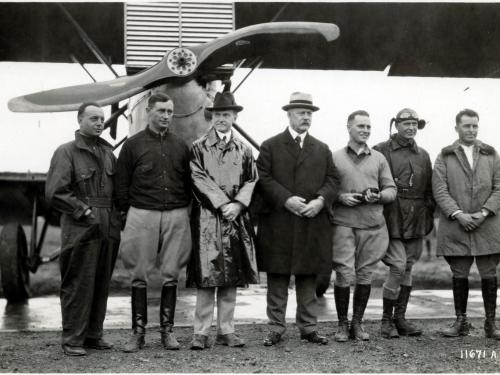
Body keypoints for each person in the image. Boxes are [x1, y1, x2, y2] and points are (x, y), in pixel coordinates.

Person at [256, 92, 338, 346]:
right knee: (278, 275)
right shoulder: (270, 146)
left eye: (309, 113)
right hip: (279, 221)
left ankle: (308, 327)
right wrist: (286, 199)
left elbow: (333, 180)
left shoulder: (322, 148)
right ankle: (276, 328)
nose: (306, 117)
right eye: (301, 113)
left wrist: (320, 201)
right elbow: (264, 177)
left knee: (308, 275)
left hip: (310, 221)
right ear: (289, 115)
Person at [115, 92, 192, 352]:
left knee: (171, 273)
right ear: (149, 111)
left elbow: (189, 183)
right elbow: (121, 183)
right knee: (139, 273)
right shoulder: (132, 144)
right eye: (161, 111)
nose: (166, 116)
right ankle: (138, 333)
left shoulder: (181, 145)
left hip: (176, 213)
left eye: (170, 112)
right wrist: (130, 212)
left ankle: (167, 332)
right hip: (142, 213)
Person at [46, 102, 120, 356]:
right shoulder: (66, 152)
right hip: (81, 227)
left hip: (108, 226)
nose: (100, 122)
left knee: (101, 282)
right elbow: (55, 193)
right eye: (93, 118)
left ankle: (93, 336)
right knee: (78, 281)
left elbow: (118, 191)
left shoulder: (108, 154)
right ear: (79, 120)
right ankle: (72, 340)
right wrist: (83, 211)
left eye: (102, 119)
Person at [187, 91, 259, 350]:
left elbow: (252, 179)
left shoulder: (244, 149)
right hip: (208, 219)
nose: (221, 119)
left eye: (226, 114)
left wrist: (239, 204)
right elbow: (197, 178)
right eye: (217, 114)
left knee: (232, 278)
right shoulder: (198, 147)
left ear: (234, 117)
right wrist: (223, 203)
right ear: (212, 117)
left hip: (236, 220)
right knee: (208, 277)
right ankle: (201, 332)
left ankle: (226, 330)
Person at [433, 108, 500, 340]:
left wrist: (483, 212)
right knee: (458, 272)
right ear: (457, 128)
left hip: (488, 225)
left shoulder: (491, 154)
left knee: (489, 272)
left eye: (475, 125)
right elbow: (439, 190)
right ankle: (460, 322)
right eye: (466, 126)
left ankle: (491, 324)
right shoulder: (445, 156)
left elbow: (499, 187)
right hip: (456, 225)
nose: (471, 130)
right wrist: (458, 213)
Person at [331, 110, 396, 342]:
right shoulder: (335, 157)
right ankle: (342, 325)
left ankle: (357, 323)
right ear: (349, 127)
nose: (365, 130)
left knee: (365, 274)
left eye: (368, 127)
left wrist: (378, 196)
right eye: (360, 126)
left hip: (372, 225)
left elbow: (391, 189)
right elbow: (326, 188)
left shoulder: (379, 158)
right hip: (343, 224)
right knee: (343, 273)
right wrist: (340, 197)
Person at [373, 108, 435, 338]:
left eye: (414, 124)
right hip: (391, 217)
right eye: (406, 123)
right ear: (396, 125)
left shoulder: (423, 154)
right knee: (398, 266)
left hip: (416, 218)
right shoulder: (380, 150)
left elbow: (429, 189)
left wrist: (427, 214)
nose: (411, 128)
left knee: (408, 267)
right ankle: (385, 321)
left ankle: (400, 319)